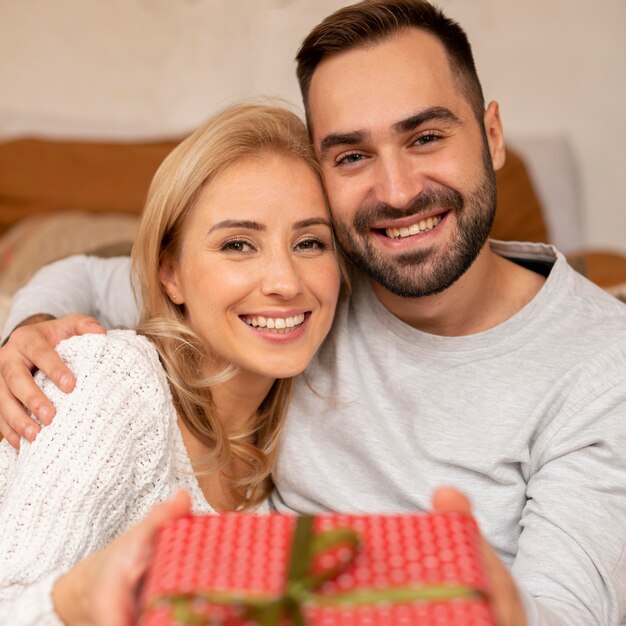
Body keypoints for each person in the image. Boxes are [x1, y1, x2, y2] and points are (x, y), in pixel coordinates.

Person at [1, 1, 625, 625]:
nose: (400, 192)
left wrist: (481, 601)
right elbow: (86, 274)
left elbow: (570, 614)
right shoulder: (326, 277)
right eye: (352, 155)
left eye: (426, 137)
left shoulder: (601, 365)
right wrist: (28, 330)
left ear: (491, 136)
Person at [0, 103, 341, 623]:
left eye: (310, 242)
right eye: (238, 244)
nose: (286, 281)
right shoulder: (110, 383)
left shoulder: (291, 440)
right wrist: (75, 602)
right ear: (170, 274)